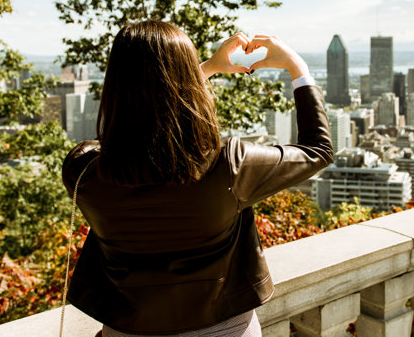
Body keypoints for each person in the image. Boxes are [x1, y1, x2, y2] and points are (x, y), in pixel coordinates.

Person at [62, 20, 333, 336]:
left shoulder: (83, 171)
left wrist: (206, 68)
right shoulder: (230, 165)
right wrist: (297, 67)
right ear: (185, 77)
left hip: (128, 328)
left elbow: (132, 137)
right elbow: (317, 150)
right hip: (223, 329)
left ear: (115, 84)